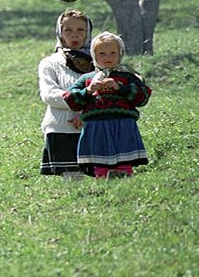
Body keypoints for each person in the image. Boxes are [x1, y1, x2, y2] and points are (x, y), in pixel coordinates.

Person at [64, 31, 152, 179]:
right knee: (100, 162)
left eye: (113, 53)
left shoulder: (128, 77)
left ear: (120, 54)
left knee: (124, 159)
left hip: (123, 125)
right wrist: (89, 90)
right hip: (95, 127)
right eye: (102, 53)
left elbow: (142, 97)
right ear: (94, 56)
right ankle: (102, 182)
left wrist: (120, 88)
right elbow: (71, 100)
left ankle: (124, 179)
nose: (107, 57)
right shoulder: (87, 79)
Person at [37, 9, 94, 181]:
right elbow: (49, 93)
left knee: (101, 174)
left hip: (93, 124)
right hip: (62, 127)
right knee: (72, 178)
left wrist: (86, 113)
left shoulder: (99, 60)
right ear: (60, 33)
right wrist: (78, 103)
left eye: (80, 30)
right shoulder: (50, 63)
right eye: (68, 30)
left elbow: (103, 91)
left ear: (88, 33)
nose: (74, 35)